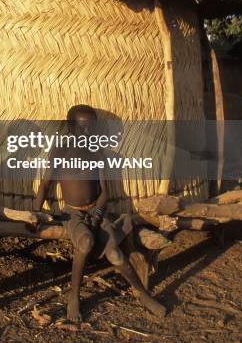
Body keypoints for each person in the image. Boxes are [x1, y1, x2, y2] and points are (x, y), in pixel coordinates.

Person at [33, 104, 165, 322]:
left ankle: (142, 294)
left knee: (115, 255)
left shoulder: (98, 152)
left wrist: (96, 213)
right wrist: (35, 213)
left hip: (98, 210)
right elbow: (46, 183)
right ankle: (73, 297)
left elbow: (105, 191)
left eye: (91, 128)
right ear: (70, 127)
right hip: (72, 213)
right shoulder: (60, 149)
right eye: (83, 128)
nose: (87, 133)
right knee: (84, 242)